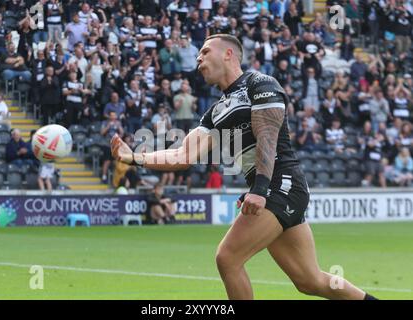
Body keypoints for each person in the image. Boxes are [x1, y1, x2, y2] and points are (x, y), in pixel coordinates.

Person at [111, 34, 377, 300]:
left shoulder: (259, 83)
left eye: (205, 52)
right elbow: (184, 154)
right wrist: (134, 157)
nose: (199, 59)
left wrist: (259, 190)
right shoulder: (215, 112)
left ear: (228, 54)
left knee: (228, 258)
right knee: (311, 281)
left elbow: (267, 138)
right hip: (274, 189)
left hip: (280, 183)